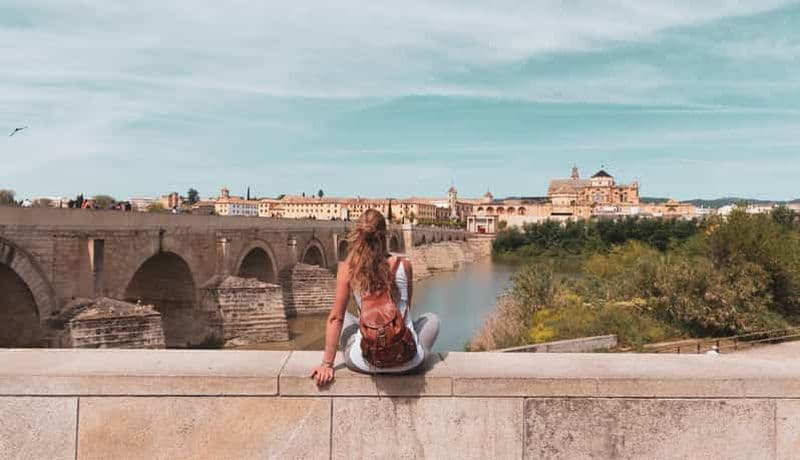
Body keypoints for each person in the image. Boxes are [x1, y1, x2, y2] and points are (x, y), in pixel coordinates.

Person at [311, 209, 439, 386]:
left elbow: (335, 318)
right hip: (407, 362)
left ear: (358, 236)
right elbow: (405, 310)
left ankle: (365, 340)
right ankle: (414, 350)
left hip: (364, 362)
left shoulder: (348, 268)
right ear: (385, 235)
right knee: (432, 320)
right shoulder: (404, 265)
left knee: (348, 319)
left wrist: (327, 364)